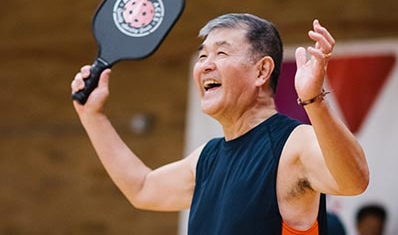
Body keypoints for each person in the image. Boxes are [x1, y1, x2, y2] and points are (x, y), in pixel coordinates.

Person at [71, 13, 369, 235]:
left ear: (262, 71)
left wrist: (315, 101)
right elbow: (142, 188)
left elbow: (354, 181)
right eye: (202, 56)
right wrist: (92, 116)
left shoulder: (294, 144)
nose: (205, 65)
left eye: (221, 53)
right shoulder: (206, 158)